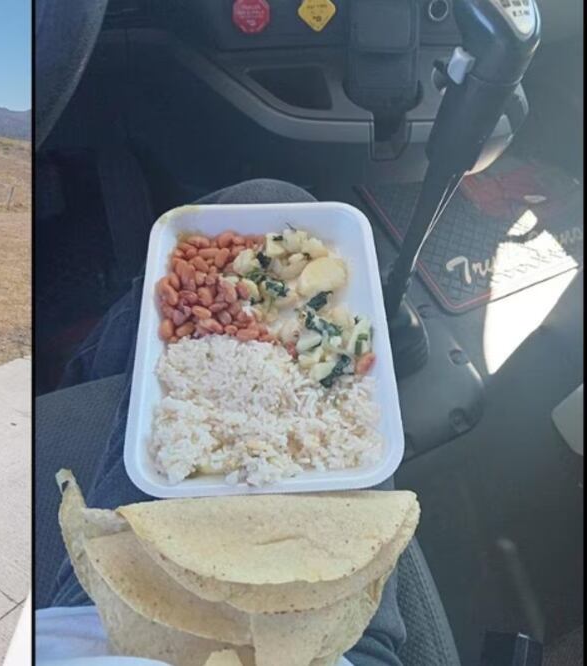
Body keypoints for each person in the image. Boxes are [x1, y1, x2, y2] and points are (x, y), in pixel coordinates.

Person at [35, 181, 407, 666]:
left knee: (252, 206)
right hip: (340, 650)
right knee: (268, 195)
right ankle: (84, 369)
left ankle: (79, 372)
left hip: (83, 625)